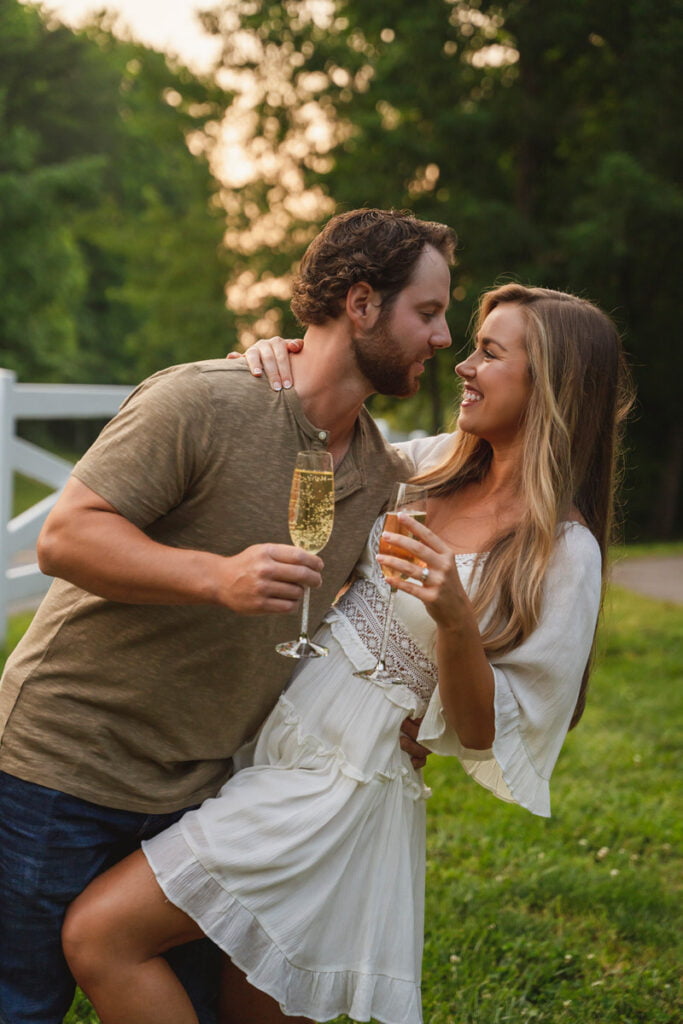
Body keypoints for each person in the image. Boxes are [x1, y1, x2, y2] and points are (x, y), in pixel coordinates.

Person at [61, 283, 632, 1024]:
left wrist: (455, 621)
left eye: (489, 353)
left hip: (340, 786)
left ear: (553, 384)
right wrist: (278, 368)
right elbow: (316, 449)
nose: (463, 366)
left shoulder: (563, 551)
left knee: (102, 936)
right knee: (245, 1006)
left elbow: (485, 730)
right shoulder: (427, 466)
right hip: (268, 745)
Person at [0, 208, 456, 1024]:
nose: (443, 336)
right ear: (360, 303)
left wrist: (401, 715)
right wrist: (216, 578)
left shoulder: (380, 474)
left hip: (201, 792)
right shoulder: (202, 401)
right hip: (59, 772)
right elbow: (66, 538)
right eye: (427, 312)